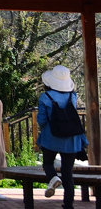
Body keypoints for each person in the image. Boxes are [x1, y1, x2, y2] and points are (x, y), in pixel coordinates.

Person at [37, 65, 88, 209]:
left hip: (51, 137)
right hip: (72, 138)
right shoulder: (73, 95)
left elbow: (41, 119)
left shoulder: (45, 97)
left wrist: (45, 129)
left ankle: (53, 178)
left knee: (47, 163)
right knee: (68, 172)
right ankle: (68, 204)